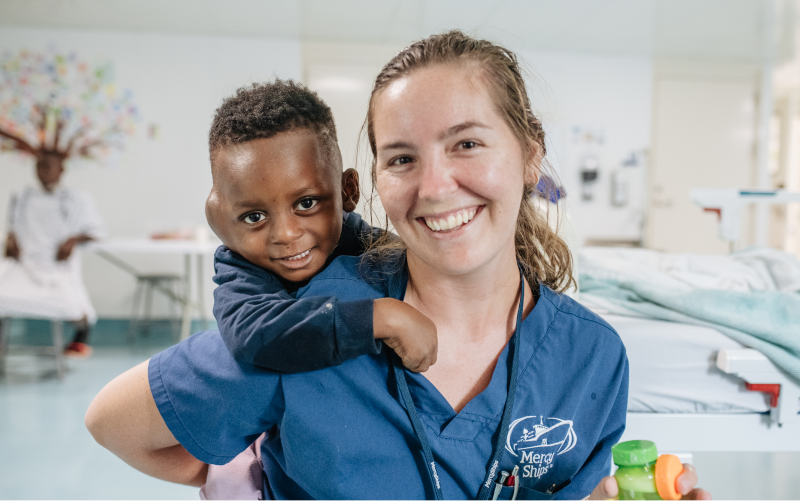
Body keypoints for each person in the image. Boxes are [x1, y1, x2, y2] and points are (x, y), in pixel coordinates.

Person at [86, 31, 710, 500]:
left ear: (528, 154)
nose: (436, 188)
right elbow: (115, 425)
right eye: (403, 158)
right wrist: (234, 476)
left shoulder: (589, 357)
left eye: (466, 143)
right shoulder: (310, 325)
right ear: (376, 180)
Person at [205, 80, 436, 375]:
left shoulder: (370, 244)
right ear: (220, 221)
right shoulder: (242, 268)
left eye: (306, 203)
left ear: (348, 191)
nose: (286, 234)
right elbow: (254, 333)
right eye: (254, 217)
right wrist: (380, 318)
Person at [1, 152, 104, 357]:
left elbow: (96, 231)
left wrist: (73, 239)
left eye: (48, 166)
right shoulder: (22, 195)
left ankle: (79, 339)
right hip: (24, 264)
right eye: (39, 166)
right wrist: (10, 238)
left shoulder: (76, 198)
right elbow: (12, 225)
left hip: (56, 266)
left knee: (72, 306)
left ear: (62, 169)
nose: (43, 171)